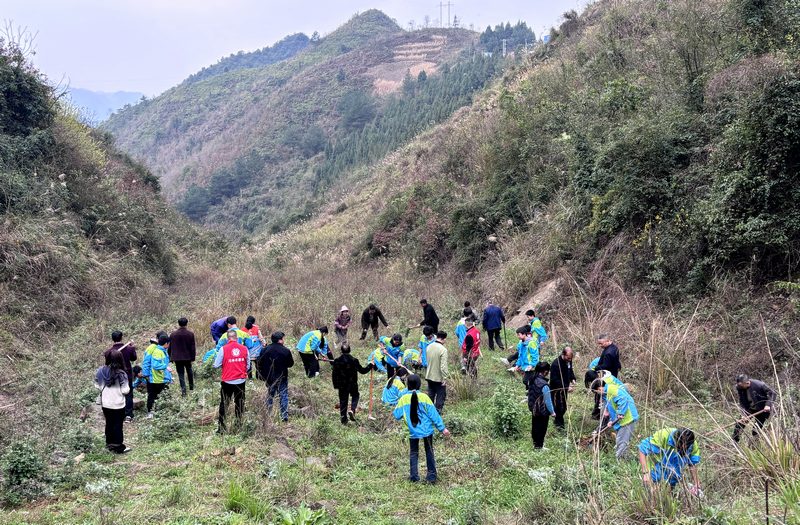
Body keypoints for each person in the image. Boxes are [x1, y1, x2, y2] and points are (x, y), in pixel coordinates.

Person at [392, 374, 450, 483]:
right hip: (427, 430)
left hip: (412, 431)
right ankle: (431, 477)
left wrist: (403, 397)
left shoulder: (403, 399)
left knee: (414, 452)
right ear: (419, 385)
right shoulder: (425, 397)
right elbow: (434, 415)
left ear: (407, 385)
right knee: (429, 451)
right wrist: (442, 429)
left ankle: (414, 477)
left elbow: (396, 414)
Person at [638, 428, 701, 494]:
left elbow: (692, 464)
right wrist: (646, 473)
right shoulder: (663, 435)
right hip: (655, 472)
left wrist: (696, 483)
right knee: (652, 494)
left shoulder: (692, 444)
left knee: (667, 496)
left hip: (673, 475)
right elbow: (642, 449)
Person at [591, 378, 639, 459]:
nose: (598, 394)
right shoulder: (607, 394)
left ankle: (620, 461)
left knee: (622, 441)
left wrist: (620, 413)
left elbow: (623, 399)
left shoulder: (611, 390)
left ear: (600, 388)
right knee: (621, 440)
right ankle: (626, 458)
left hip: (628, 418)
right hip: (622, 420)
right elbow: (613, 408)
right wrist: (611, 421)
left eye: (597, 392)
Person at [95, 350, 132, 453]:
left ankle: (109, 444)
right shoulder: (121, 374)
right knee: (118, 425)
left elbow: (97, 386)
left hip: (105, 403)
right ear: (120, 359)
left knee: (109, 423)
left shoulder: (100, 371)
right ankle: (118, 447)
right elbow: (125, 390)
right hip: (118, 404)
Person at [214, 328, 250, 433]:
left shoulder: (223, 349)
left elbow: (216, 364)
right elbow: (247, 365)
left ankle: (221, 428)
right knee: (240, 403)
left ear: (227, 339)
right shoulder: (244, 349)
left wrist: (225, 364)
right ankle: (238, 425)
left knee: (224, 404)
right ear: (237, 338)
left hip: (227, 382)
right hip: (241, 381)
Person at [331, 343, 373, 424]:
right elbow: (362, 371)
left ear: (341, 351)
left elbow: (334, 374)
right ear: (350, 350)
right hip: (352, 384)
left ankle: (343, 420)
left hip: (342, 385)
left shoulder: (337, 361)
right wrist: (370, 365)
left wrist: (335, 385)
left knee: (343, 401)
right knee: (355, 395)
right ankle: (352, 409)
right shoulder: (354, 360)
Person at [258, 331, 294, 423]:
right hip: (282, 377)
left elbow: (259, 363)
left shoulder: (265, 350)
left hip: (269, 377)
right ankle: (284, 416)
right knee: (283, 395)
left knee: (270, 395)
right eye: (283, 338)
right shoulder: (285, 351)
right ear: (280, 340)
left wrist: (263, 375)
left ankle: (268, 414)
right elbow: (290, 364)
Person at [103, 331, 137, 423]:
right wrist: (133, 347)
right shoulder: (129, 349)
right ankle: (128, 415)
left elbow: (107, 364)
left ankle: (119, 414)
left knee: (116, 394)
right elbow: (134, 358)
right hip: (127, 375)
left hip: (113, 376)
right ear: (121, 338)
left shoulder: (108, 352)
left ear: (112, 339)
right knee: (128, 394)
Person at [733, 374, 776, 442]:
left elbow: (772, 393)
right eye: (738, 384)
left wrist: (768, 405)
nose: (739, 386)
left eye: (741, 385)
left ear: (747, 383)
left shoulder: (759, 385)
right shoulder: (739, 387)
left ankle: (755, 445)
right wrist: (744, 413)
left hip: (762, 410)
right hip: (749, 409)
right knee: (739, 425)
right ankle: (735, 442)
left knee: (755, 430)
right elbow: (742, 401)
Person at [141, 333, 173, 419]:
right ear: (166, 343)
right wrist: (146, 375)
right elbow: (153, 364)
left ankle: (161, 411)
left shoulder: (162, 350)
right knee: (153, 395)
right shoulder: (156, 350)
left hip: (160, 378)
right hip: (155, 378)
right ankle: (151, 412)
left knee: (161, 395)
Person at [527, 362, 556, 449]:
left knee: (535, 426)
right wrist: (552, 412)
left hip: (534, 408)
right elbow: (548, 401)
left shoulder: (532, 379)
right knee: (542, 428)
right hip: (542, 410)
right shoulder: (544, 385)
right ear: (545, 371)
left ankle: (535, 444)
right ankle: (539, 446)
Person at [549, 346, 576, 430]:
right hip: (556, 389)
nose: (569, 360)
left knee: (564, 407)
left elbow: (570, 370)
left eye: (570, 359)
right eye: (568, 358)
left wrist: (572, 379)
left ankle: (558, 420)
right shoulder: (555, 364)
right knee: (559, 407)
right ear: (563, 354)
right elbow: (554, 380)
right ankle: (559, 425)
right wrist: (567, 387)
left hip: (565, 388)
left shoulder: (569, 360)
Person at [169, 317, 196, 396]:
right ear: (186, 324)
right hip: (187, 357)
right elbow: (192, 347)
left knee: (180, 373)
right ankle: (191, 387)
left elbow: (170, 347)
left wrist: (170, 357)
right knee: (189, 371)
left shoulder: (173, 334)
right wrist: (193, 357)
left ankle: (183, 391)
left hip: (177, 358)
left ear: (178, 324)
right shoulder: (190, 334)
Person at [425, 331, 449, 411]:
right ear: (443, 339)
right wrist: (445, 377)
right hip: (438, 378)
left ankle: (429, 412)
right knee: (441, 395)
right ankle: (437, 413)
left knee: (430, 395)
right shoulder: (443, 349)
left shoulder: (429, 346)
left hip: (429, 375)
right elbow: (443, 366)